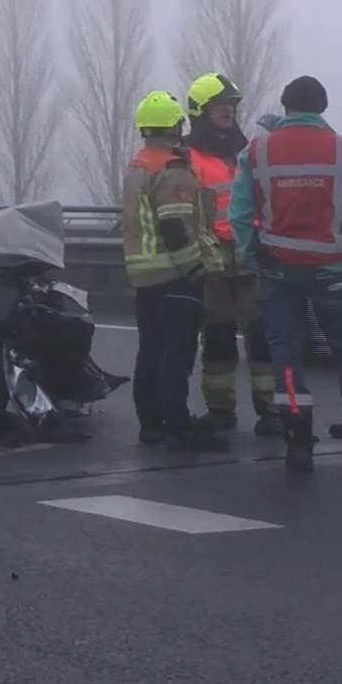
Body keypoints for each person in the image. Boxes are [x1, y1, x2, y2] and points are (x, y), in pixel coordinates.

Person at [228, 75, 342, 474]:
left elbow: (238, 215)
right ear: (322, 107)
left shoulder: (256, 152)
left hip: (279, 270)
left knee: (286, 352)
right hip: (334, 270)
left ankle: (298, 445)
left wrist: (254, 256)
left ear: (285, 107)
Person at [122, 91, 230, 452]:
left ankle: (151, 423)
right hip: (173, 276)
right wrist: (194, 268)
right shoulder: (172, 170)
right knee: (177, 355)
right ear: (176, 125)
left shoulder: (139, 165)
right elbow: (174, 227)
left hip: (145, 277)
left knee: (150, 351)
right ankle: (177, 425)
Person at [182, 73, 280, 436]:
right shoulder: (186, 156)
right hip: (211, 262)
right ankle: (221, 409)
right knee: (219, 337)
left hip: (250, 255)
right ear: (200, 111)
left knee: (262, 334)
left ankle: (271, 409)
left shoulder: (247, 151)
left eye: (231, 105)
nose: (227, 111)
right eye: (219, 106)